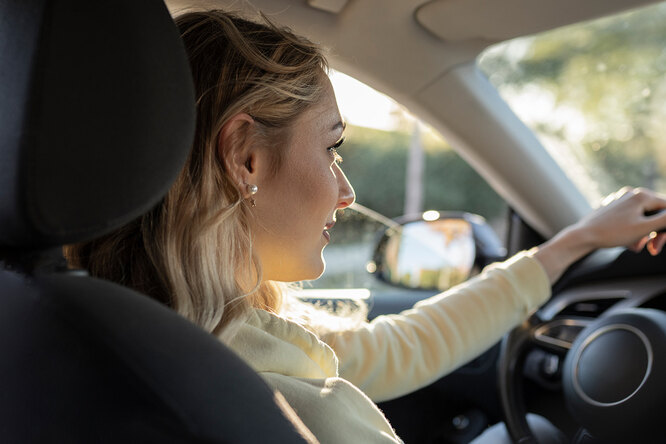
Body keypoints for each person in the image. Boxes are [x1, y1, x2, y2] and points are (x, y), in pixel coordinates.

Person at [65, 9, 666, 443]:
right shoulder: (303, 413)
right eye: (332, 149)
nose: (347, 192)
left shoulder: (88, 329)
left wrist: (574, 242)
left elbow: (394, 348)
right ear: (245, 156)